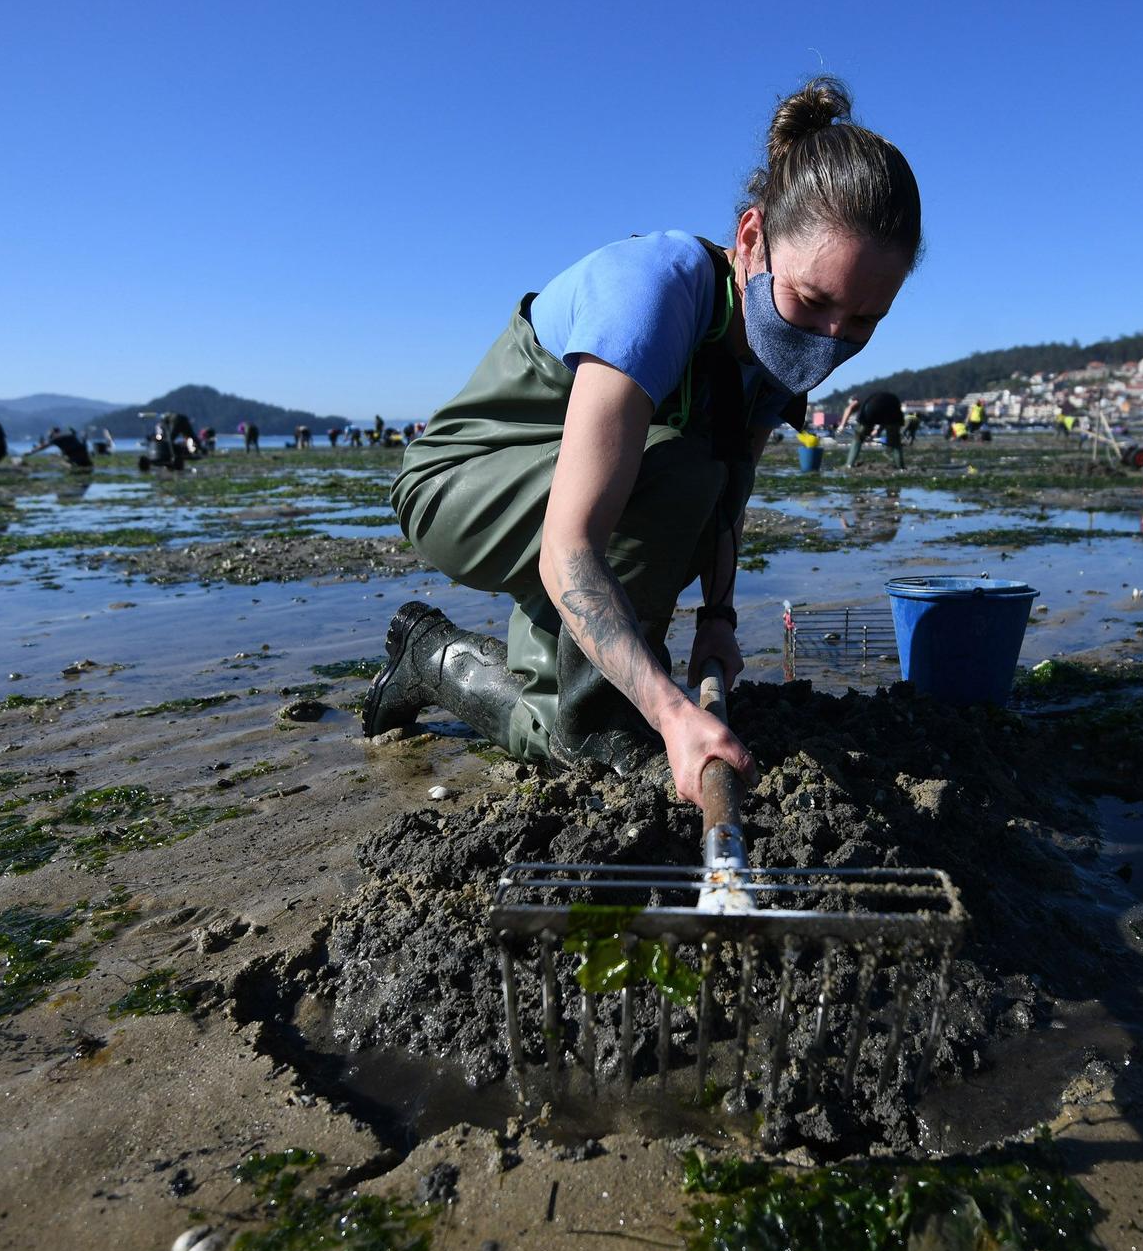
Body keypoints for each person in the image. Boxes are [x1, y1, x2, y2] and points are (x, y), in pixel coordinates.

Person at [363, 77, 918, 810]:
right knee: (595, 718)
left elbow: (733, 492)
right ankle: (463, 668)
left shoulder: (781, 350)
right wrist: (667, 711)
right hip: (463, 487)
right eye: (813, 303)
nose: (830, 342)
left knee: (699, 481)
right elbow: (571, 545)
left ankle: (511, 681)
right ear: (752, 238)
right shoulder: (652, 294)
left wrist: (718, 618)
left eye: (864, 322)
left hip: (579, 492)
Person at [840, 390, 905, 468]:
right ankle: (901, 467)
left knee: (858, 437)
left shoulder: (859, 398)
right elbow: (886, 419)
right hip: (893, 407)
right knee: (895, 442)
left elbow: (849, 408)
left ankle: (849, 464)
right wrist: (878, 430)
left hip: (873, 407)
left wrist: (842, 425)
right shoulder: (872, 395)